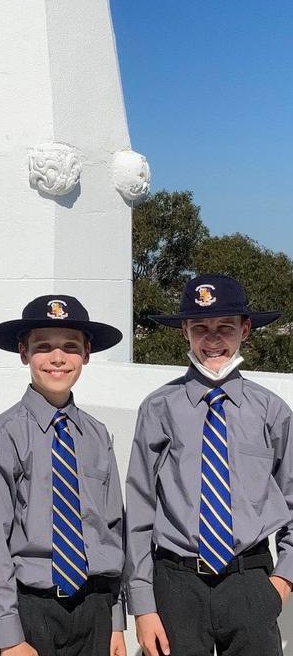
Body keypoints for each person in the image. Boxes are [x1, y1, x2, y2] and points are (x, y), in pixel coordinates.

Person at [125, 272, 293, 656]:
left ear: (245, 330)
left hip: (249, 579)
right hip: (177, 583)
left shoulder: (271, 412)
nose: (212, 338)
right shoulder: (158, 408)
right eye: (200, 326)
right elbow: (139, 509)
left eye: (225, 327)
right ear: (185, 330)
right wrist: (143, 605)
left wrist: (283, 580)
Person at [0, 295, 127, 656]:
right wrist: (8, 635)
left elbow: (112, 528)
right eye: (44, 347)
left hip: (95, 609)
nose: (58, 358)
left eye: (70, 347)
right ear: (24, 353)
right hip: (29, 611)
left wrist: (115, 619)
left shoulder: (97, 435)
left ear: (86, 354)